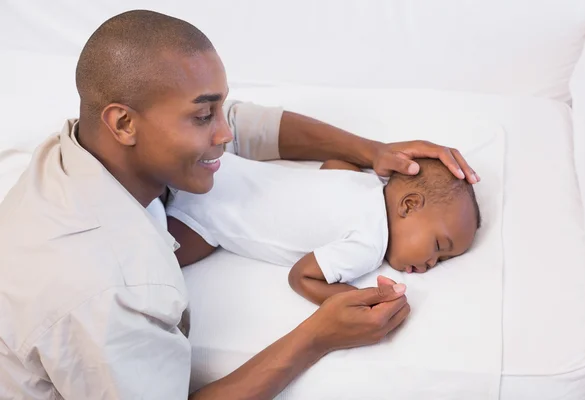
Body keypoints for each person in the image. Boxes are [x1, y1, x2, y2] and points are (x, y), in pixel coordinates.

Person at [0, 10, 479, 400]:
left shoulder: (90, 144)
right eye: (203, 115)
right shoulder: (108, 295)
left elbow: (243, 125)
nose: (225, 134)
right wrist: (318, 336)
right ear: (123, 123)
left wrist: (372, 151)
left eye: (219, 108)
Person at [167, 154, 480, 305]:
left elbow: (332, 164)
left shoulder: (366, 181)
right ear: (409, 205)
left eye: (441, 261)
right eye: (438, 247)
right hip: (203, 219)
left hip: (216, 165)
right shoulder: (368, 245)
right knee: (152, 260)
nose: (430, 265)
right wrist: (364, 300)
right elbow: (301, 277)